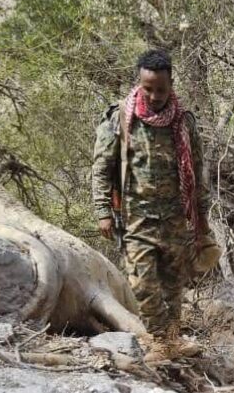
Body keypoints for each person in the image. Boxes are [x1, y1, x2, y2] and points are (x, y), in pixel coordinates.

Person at [92, 49, 220, 363]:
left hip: (175, 218)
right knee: (142, 284)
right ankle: (160, 339)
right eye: (148, 88)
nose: (154, 96)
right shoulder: (120, 118)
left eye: (160, 89)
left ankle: (172, 339)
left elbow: (198, 172)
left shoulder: (183, 121)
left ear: (171, 84)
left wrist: (202, 221)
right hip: (136, 218)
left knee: (173, 283)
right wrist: (103, 211)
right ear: (139, 83)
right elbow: (102, 167)